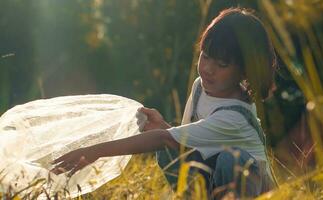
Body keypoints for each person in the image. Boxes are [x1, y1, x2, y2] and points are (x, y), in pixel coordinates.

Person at [51, 7, 277, 199]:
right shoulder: (201, 86)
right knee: (168, 148)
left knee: (231, 160)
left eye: (221, 64)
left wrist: (93, 152)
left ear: (244, 70)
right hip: (213, 182)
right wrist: (164, 127)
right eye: (205, 56)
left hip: (253, 192)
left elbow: (164, 139)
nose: (208, 69)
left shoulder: (235, 117)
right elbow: (184, 145)